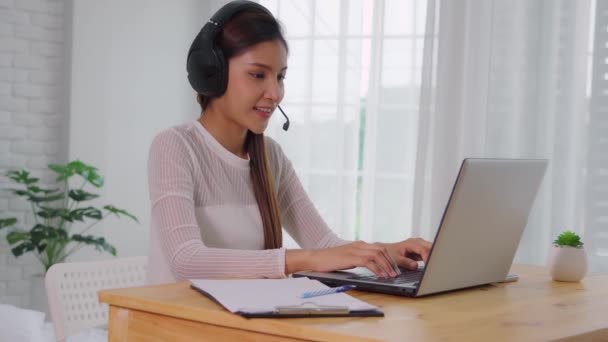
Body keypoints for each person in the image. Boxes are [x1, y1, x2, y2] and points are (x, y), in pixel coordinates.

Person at [146, 0, 432, 285]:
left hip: (235, 320)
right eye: (258, 75)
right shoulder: (175, 146)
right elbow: (186, 259)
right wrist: (304, 259)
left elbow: (324, 244)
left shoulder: (270, 156)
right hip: (173, 323)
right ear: (212, 72)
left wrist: (385, 253)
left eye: (280, 77)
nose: (275, 93)